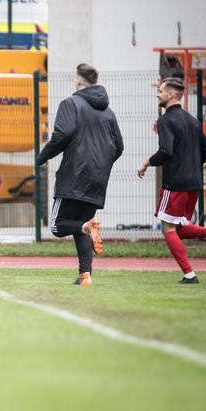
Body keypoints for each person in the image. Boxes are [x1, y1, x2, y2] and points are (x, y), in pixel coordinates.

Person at [138, 77, 206, 283]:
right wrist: (191, 165)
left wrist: (146, 162)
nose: (158, 94)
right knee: (178, 228)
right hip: (194, 184)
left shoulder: (165, 120)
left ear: (171, 94)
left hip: (176, 184)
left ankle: (189, 274)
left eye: (161, 91)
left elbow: (165, 151)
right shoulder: (192, 120)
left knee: (168, 228)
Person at [38, 64, 124, 286]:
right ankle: (85, 275)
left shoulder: (70, 103)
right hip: (97, 180)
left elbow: (62, 134)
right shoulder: (109, 112)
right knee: (80, 223)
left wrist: (42, 157)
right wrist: (101, 166)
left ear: (78, 82)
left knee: (58, 226)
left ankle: (87, 227)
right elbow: (119, 147)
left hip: (74, 176)